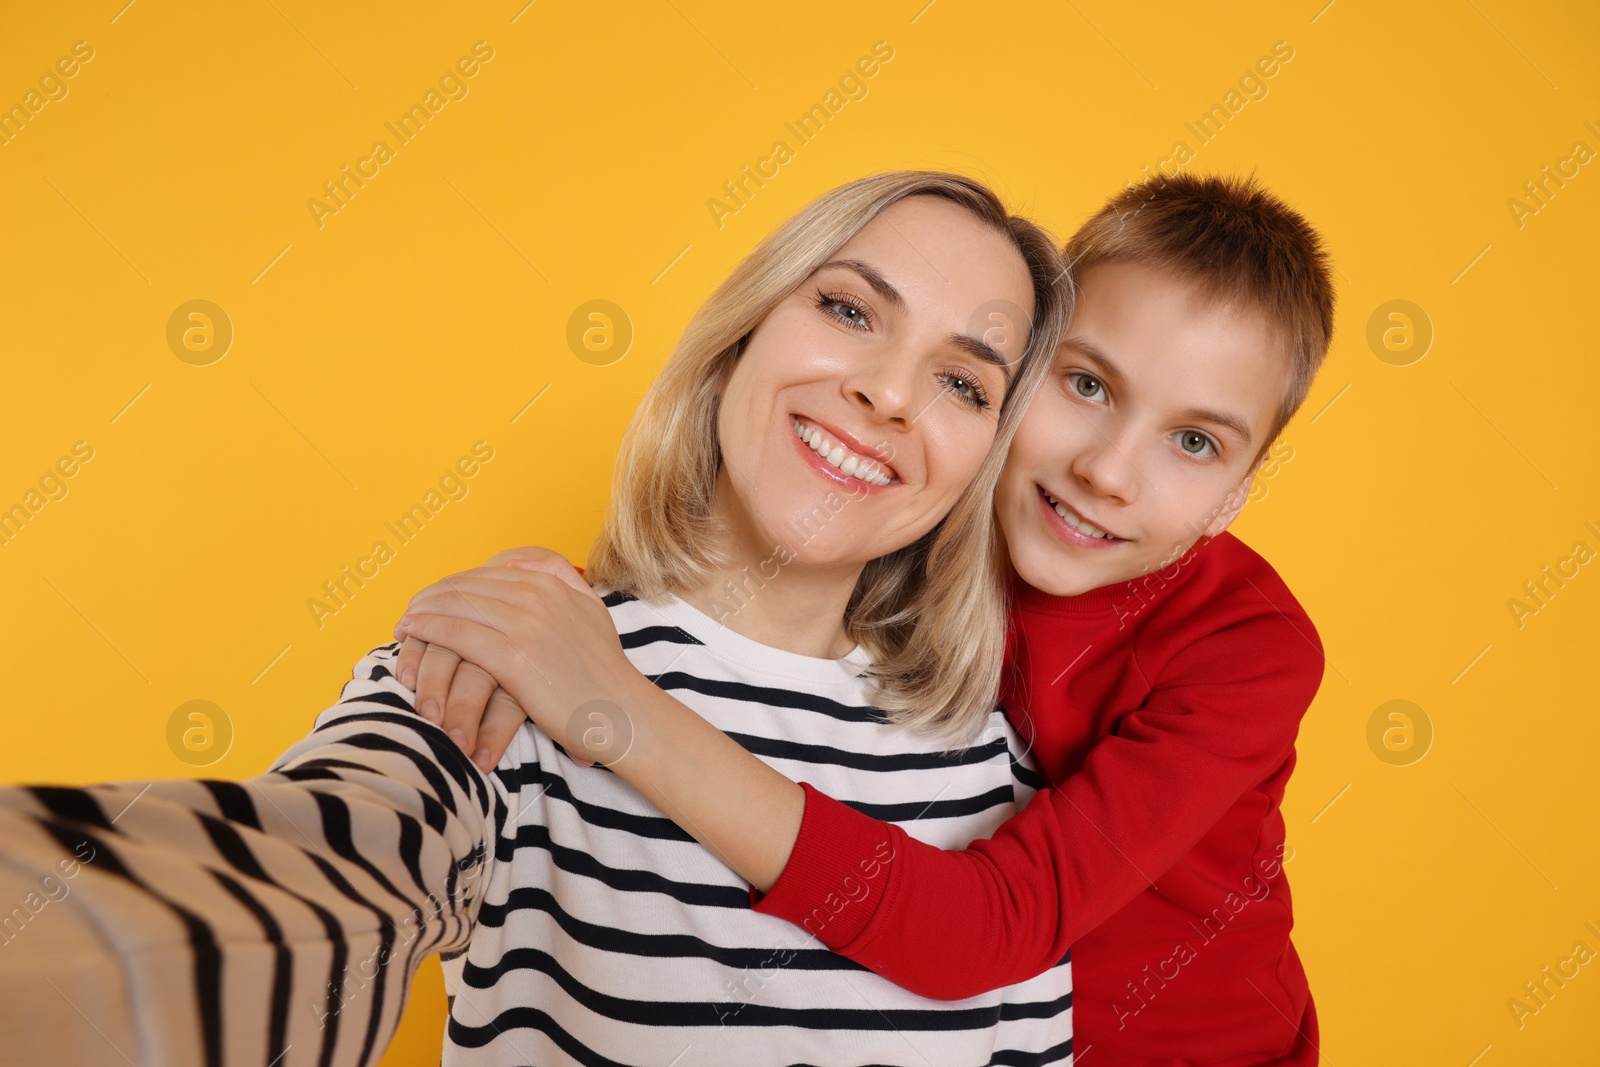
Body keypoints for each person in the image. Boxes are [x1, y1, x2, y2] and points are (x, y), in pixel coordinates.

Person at [0, 170, 1078, 1066]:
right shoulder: (511, 656)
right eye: (848, 309)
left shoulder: (995, 775)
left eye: (962, 382)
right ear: (740, 336)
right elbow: (326, 874)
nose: (889, 393)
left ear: (985, 459)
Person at [395, 171, 1335, 1065]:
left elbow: (989, 926)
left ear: (1235, 497)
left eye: (1195, 441)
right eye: (1087, 385)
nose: (1109, 471)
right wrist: (540, 600)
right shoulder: (942, 529)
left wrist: (612, 703)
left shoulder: (1248, 650)